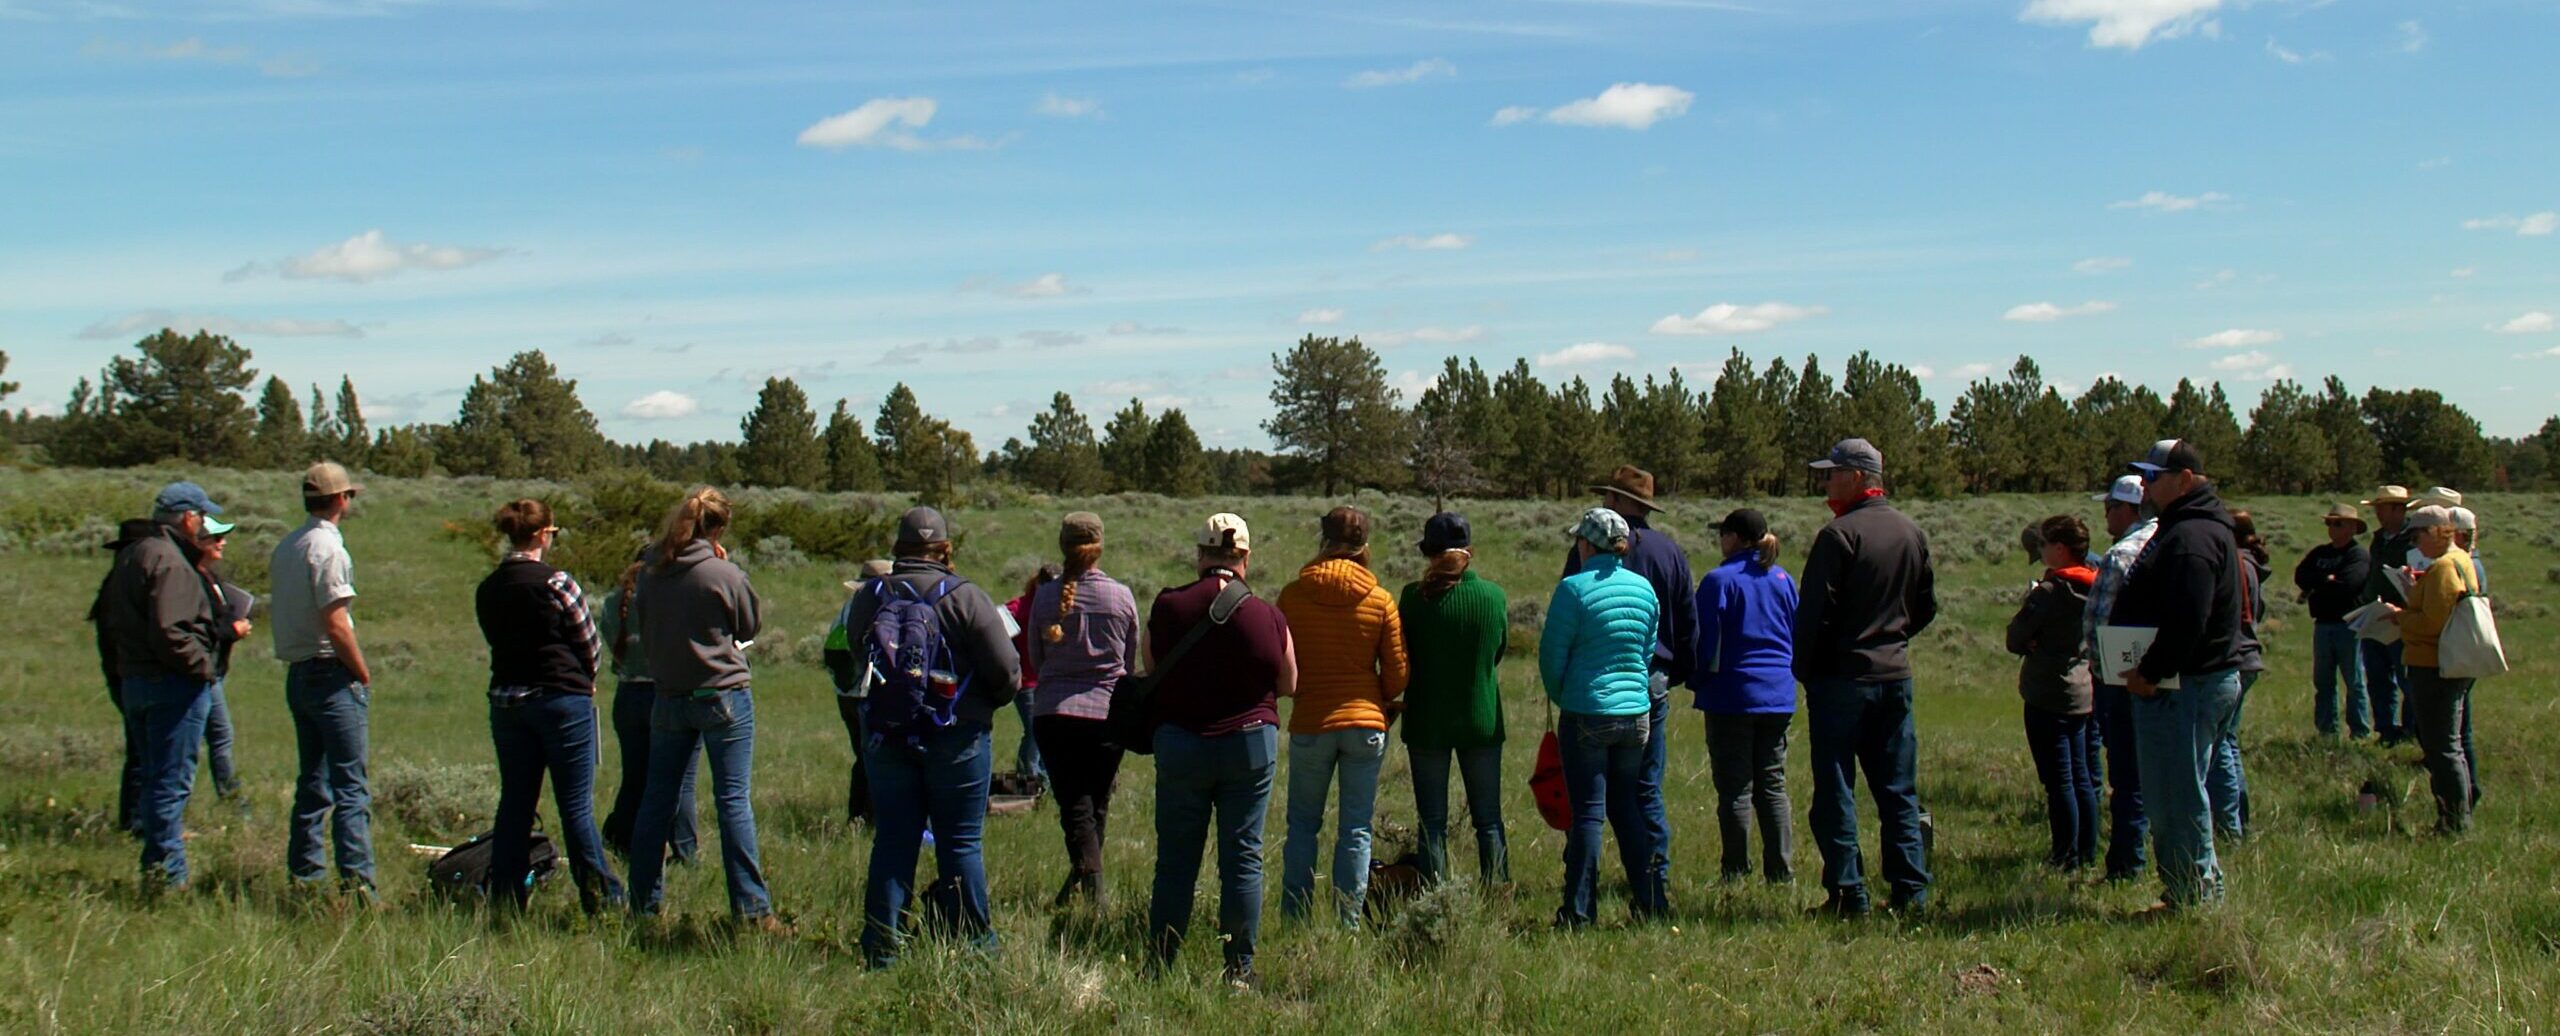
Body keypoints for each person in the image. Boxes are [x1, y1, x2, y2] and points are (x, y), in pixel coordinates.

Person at [850, 507, 1021, 967]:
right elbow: (1007, 675)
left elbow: (853, 653)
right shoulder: (966, 597)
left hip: (888, 735)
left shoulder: (871, 596)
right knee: (960, 842)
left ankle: (882, 946)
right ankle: (973, 947)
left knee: (893, 840)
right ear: (944, 550)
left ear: (897, 549)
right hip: (958, 735)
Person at [1145, 513, 1296, 989]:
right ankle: (1238, 969)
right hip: (1249, 743)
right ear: (1245, 558)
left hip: (1183, 744)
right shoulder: (1267, 615)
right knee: (1243, 858)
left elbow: (1150, 668)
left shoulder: (1169, 606)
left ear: (1200, 556)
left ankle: (1160, 963)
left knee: (1175, 860)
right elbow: (1290, 682)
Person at [1793, 438, 1938, 916]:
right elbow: (1925, 607)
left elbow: (1814, 614)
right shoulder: (1910, 532)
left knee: (1836, 789)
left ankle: (1848, 892)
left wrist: (1807, 669)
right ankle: (1910, 892)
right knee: (1897, 789)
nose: (1826, 482)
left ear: (1857, 477)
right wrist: (1892, 639)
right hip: (1894, 675)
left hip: (1841, 680)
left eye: (1833, 474)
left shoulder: (1838, 536)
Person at [628, 487, 779, 930]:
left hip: (669, 695)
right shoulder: (720, 573)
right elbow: (749, 624)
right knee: (732, 801)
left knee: (657, 801)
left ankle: (643, 904)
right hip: (721, 694)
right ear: (716, 529)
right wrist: (724, 565)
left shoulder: (651, 572)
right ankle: (751, 911)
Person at [2110, 440, 2247, 911]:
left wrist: (2151, 671)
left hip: (2184, 685)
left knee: (2177, 796)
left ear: (2185, 479)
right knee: (2175, 792)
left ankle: (2194, 897)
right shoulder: (2190, 528)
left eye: (2155, 476)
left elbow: (2189, 618)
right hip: (2185, 682)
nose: (2146, 485)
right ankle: (2189, 891)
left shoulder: (2191, 539)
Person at [472, 499, 623, 912]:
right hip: (560, 701)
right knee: (575, 807)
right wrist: (586, 681)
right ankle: (601, 899)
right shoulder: (557, 582)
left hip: (507, 701)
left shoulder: (489, 587)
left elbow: (495, 639)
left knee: (515, 804)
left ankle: (506, 899)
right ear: (542, 535)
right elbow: (590, 642)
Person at [1560, 465, 1693, 902]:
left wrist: (1565, 686)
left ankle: (1582, 896)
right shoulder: (1670, 552)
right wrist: (1677, 674)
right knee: (1645, 791)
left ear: (1617, 501)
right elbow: (1687, 622)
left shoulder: (1587, 548)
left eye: (1606, 496)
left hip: (1593, 688)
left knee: (1591, 803)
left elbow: (1565, 623)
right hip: (1649, 681)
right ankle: (1655, 885)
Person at [1277, 506, 1409, 927]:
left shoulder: (1293, 596)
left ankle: (1295, 919)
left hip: (1312, 721)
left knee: (1301, 825)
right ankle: (1348, 922)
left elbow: (1284, 665)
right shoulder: (1380, 598)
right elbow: (1398, 673)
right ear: (1364, 547)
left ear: (1323, 541)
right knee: (1356, 828)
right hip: (1365, 722)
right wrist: (1379, 698)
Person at [97, 482, 228, 891]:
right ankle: (167, 879)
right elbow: (172, 631)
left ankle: (155, 867)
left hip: (136, 681)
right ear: (189, 518)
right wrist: (203, 668)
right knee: (171, 786)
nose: (205, 525)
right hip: (170, 686)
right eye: (203, 517)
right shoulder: (169, 560)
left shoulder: (134, 552)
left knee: (154, 780)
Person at [1543, 507, 1665, 926]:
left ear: (1586, 545)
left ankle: (1578, 910)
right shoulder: (1644, 590)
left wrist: (1567, 696)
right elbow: (1647, 652)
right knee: (1627, 807)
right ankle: (1651, 902)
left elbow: (1551, 659)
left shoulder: (1573, 590)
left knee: (1589, 813)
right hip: (1636, 714)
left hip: (1588, 711)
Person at [271, 461, 376, 897]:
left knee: (313, 783)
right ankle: (359, 888)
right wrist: (362, 673)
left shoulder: (288, 545)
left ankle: (306, 877)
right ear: (338, 499)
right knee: (351, 788)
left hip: (298, 676)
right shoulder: (329, 550)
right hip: (330, 674)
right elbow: (336, 622)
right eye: (348, 495)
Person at [1026, 512, 1139, 908]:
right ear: (1099, 546)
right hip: (1107, 712)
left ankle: (1090, 887)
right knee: (1096, 802)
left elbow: (1036, 660)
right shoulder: (1121, 596)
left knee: (1075, 804)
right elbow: (1128, 659)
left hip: (1055, 713)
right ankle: (1091, 889)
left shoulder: (1043, 597)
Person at [1396, 512, 1510, 887]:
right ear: (1469, 551)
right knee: (1488, 819)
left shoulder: (1413, 598)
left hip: (1427, 719)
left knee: (1432, 821)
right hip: (1481, 718)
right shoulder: (1493, 596)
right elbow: (1499, 651)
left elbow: (1403, 655)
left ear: (1429, 553)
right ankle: (1496, 893)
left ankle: (1434, 895)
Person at [1688, 508, 1798, 885]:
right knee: (1772, 784)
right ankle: (1781, 873)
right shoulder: (1783, 579)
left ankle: (1735, 871)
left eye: (1723, 534)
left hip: (1732, 694)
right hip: (1778, 693)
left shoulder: (1719, 580)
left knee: (1735, 787)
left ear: (1735, 538)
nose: (1720, 541)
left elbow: (1703, 641)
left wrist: (1698, 680)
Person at [2382, 506, 2481, 834]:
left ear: (2435, 532)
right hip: (2445, 662)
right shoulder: (2461, 561)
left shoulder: (2442, 568)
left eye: (2417, 534)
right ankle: (2457, 817)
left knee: (2441, 747)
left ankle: (2453, 823)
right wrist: (2414, 595)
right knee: (2449, 744)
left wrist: (2400, 616)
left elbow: (2431, 623)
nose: (2415, 541)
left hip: (2433, 664)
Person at [2008, 515, 2098, 871]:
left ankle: (2065, 857)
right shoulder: (2096, 585)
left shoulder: (2049, 593)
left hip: (2048, 691)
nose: (2041, 551)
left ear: (2060, 549)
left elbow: (2015, 636)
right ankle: (2087, 852)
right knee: (2082, 776)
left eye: (2044, 545)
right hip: (2082, 688)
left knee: (2058, 780)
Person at [598, 550, 699, 863]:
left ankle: (627, 845)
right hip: (666, 692)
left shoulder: (615, 602)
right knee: (681, 778)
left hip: (628, 694)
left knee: (635, 775)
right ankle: (684, 851)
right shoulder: (670, 599)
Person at [2082, 474, 2155, 883]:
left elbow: (2098, 624)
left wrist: (2096, 666)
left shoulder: (2122, 554)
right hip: (2163, 671)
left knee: (2126, 775)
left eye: (2110, 507)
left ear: (2128, 509)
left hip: (2119, 673)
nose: (2105, 515)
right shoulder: (2167, 542)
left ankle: (2127, 865)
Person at [89, 518, 162, 837]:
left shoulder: (113, 584)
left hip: (122, 676)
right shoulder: (125, 587)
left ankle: (135, 817)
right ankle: (137, 820)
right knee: (143, 752)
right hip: (131, 676)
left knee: (139, 750)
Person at [2207, 509, 2272, 841]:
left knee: (2220, 747)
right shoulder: (2249, 563)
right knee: (2228, 743)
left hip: (2236, 658)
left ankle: (2229, 826)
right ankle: (2237, 821)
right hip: (2247, 656)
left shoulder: (2237, 563)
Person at [822, 559, 895, 825]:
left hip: (844, 693)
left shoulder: (846, 609)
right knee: (875, 758)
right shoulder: (878, 609)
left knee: (862, 756)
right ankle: (868, 816)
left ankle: (859, 815)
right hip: (868, 692)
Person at [2293, 504, 2372, 739]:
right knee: (2323, 681)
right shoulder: (2319, 553)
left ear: (2351, 527)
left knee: (2354, 680)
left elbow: (2348, 585)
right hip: (2323, 624)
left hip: (2349, 624)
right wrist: (2325, 579)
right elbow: (2300, 575)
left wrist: (2319, 585)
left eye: (2337, 523)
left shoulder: (2357, 555)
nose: (2332, 528)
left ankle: (2359, 731)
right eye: (2329, 523)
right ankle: (2327, 730)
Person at [192, 514, 247, 807]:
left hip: (214, 670)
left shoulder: (210, 577)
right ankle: (234, 803)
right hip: (203, 671)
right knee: (218, 738)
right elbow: (202, 627)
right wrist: (232, 630)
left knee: (214, 739)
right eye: (215, 538)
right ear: (198, 542)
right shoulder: (192, 579)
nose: (222, 543)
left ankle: (231, 801)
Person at [2357, 485, 2417, 745]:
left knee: (2407, 677)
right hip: (2377, 613)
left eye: (2381, 508)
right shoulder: (2378, 538)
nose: (2378, 514)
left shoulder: (2414, 538)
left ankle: (2412, 729)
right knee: (2378, 675)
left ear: (2397, 509)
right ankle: (2385, 728)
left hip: (2403, 615)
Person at [1002, 565, 1058, 784]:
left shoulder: (1058, 608)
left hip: (1050, 680)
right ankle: (1028, 777)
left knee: (1046, 731)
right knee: (1035, 729)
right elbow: (997, 635)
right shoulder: (1019, 607)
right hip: (1027, 680)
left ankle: (1041, 778)